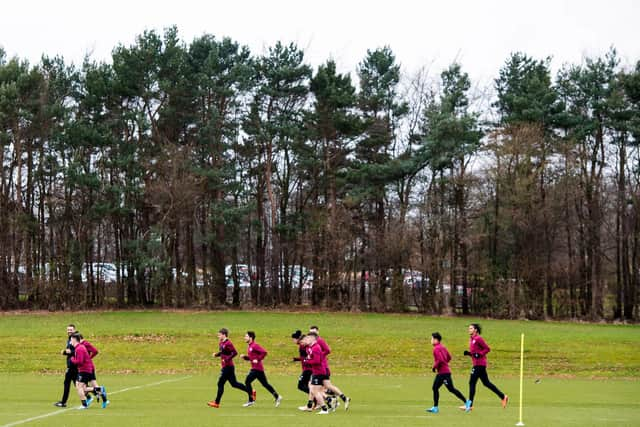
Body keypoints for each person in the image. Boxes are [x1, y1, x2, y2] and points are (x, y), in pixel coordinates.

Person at [461, 323, 508, 412]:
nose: (469, 330)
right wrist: (469, 354)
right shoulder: (471, 339)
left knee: (472, 382)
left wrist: (480, 354)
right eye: (469, 328)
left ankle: (469, 405)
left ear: (475, 330)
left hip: (480, 364)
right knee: (486, 383)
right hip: (477, 364)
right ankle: (503, 396)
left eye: (471, 328)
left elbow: (487, 349)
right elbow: (475, 353)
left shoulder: (478, 338)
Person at [309, 326, 350, 411]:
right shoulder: (311, 343)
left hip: (322, 367)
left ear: (318, 332)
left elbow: (328, 350)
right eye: (311, 332)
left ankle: (327, 402)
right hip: (320, 367)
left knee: (315, 388)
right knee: (327, 386)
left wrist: (319, 356)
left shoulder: (319, 341)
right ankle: (343, 398)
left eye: (314, 332)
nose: (313, 334)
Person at [208, 328, 252, 408]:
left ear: (224, 335)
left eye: (219, 334)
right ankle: (250, 391)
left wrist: (227, 359)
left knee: (220, 383)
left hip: (228, 367)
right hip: (227, 367)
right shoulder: (221, 343)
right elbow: (222, 352)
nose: (218, 336)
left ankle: (216, 403)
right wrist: (216, 355)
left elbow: (235, 353)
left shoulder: (228, 343)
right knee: (234, 384)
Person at [425, 332, 467, 414]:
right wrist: (444, 364)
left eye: (432, 339)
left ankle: (467, 403)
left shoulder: (436, 348)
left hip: (443, 373)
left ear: (436, 340)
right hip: (444, 372)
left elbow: (440, 360)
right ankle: (435, 407)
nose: (431, 340)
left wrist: (434, 367)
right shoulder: (442, 347)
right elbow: (449, 357)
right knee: (436, 388)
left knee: (450, 389)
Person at [240, 331, 282, 407]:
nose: (244, 338)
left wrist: (258, 359)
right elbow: (252, 358)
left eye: (246, 336)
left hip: (256, 369)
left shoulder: (255, 345)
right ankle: (277, 396)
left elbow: (264, 352)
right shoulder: (249, 346)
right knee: (265, 384)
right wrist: (245, 357)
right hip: (258, 369)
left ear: (251, 338)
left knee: (247, 381)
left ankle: (251, 400)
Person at [69, 333, 108, 409]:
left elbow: (80, 361)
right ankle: (99, 389)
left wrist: (72, 359)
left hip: (84, 370)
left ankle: (84, 405)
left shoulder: (79, 348)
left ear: (74, 340)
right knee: (81, 387)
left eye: (71, 340)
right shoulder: (80, 347)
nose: (70, 342)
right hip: (85, 369)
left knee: (79, 387)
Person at [302, 332, 330, 415]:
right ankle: (325, 405)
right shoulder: (312, 347)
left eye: (308, 338)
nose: (306, 340)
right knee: (314, 389)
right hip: (316, 371)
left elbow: (317, 361)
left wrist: (307, 361)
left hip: (319, 372)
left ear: (313, 339)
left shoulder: (316, 348)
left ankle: (325, 408)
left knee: (314, 391)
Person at [54, 324, 77, 407]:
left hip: (73, 365)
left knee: (67, 383)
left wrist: (65, 352)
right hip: (72, 364)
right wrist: (66, 352)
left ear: (74, 330)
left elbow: (77, 351)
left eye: (71, 329)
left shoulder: (75, 338)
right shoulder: (70, 338)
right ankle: (95, 391)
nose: (69, 331)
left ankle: (63, 402)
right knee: (78, 384)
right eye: (68, 329)